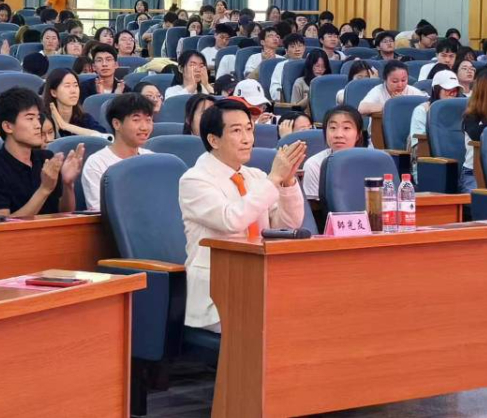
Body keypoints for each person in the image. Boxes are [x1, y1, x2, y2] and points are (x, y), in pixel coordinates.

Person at [180, 99, 306, 332]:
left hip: (259, 281)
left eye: (249, 129)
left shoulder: (255, 176)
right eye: (237, 131)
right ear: (213, 140)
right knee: (280, 323)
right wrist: (273, 179)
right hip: (217, 293)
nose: (248, 139)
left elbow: (287, 225)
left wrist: (287, 181)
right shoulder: (194, 180)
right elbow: (232, 220)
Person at [0, 87, 85, 217]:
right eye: (30, 119)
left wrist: (67, 184)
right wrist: (44, 189)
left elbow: (64, 213)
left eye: (38, 118)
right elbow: (1, 225)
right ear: (8, 126)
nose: (38, 125)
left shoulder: (46, 159)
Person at [81, 93, 156, 211]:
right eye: (136, 120)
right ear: (116, 124)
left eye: (148, 120)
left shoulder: (153, 160)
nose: (144, 127)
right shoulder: (97, 163)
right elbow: (100, 212)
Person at [302, 105, 366, 201]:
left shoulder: (370, 163)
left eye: (346, 128)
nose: (338, 135)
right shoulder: (314, 165)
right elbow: (314, 207)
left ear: (358, 135)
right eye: (333, 127)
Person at [408, 70, 461, 158]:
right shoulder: (422, 110)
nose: (452, 94)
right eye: (448, 90)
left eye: (455, 90)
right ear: (436, 90)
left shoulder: (460, 111)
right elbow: (419, 145)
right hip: (430, 159)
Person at [42, 69, 106, 137]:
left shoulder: (83, 118)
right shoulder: (43, 119)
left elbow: (105, 137)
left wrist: (66, 126)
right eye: (67, 86)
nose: (73, 91)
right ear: (53, 92)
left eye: (76, 85)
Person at [359, 61, 426, 117]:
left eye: (403, 80)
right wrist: (392, 105)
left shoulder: (411, 90)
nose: (400, 85)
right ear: (385, 79)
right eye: (395, 81)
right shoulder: (378, 90)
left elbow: (429, 103)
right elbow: (362, 109)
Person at [291, 50, 330, 114]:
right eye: (317, 66)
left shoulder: (330, 83)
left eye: (323, 66)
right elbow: (294, 108)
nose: (320, 69)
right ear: (310, 65)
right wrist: (309, 96)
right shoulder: (300, 82)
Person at [269, 33, 306, 100]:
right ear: (286, 50)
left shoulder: (309, 63)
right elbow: (275, 86)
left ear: (304, 48)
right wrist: (280, 97)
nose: (297, 49)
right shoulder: (281, 65)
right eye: (293, 47)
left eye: (300, 46)